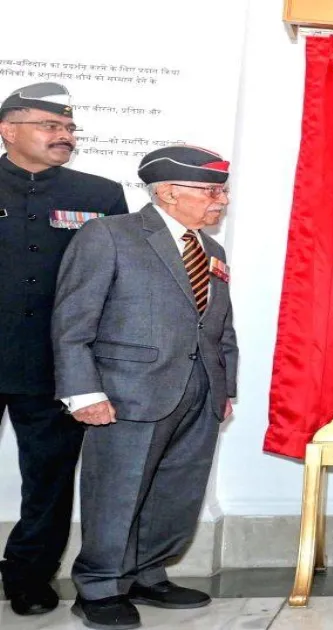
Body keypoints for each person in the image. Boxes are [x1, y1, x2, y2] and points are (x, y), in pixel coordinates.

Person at [52, 145, 238, 630]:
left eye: (222, 190)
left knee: (175, 492)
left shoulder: (210, 249)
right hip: (126, 394)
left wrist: (226, 387)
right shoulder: (110, 235)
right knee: (116, 492)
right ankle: (98, 587)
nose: (221, 200)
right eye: (211, 190)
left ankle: (146, 574)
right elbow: (72, 321)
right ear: (169, 192)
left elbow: (220, 326)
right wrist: (83, 392)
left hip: (199, 393)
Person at [0, 82, 128, 616]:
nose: (65, 136)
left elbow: (118, 283)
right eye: (51, 126)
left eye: (70, 128)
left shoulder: (99, 194)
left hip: (55, 366)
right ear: (8, 129)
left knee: (48, 484)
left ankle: (29, 577)